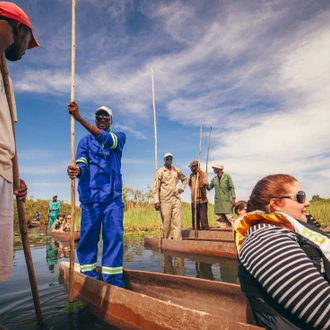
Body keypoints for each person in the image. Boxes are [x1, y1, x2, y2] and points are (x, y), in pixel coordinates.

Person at [235, 174, 330, 329]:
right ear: (276, 204)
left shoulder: (288, 234)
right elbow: (322, 309)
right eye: (300, 197)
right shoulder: (265, 239)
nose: (307, 203)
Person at [67, 102, 126, 288]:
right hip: (90, 199)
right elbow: (82, 164)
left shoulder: (118, 138)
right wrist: (77, 170)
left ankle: (113, 281)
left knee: (114, 238)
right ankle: (89, 279)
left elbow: (107, 140)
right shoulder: (84, 142)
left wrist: (79, 118)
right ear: (95, 119)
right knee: (87, 240)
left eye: (105, 117)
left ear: (111, 121)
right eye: (99, 117)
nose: (102, 119)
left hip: (113, 200)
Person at [0, 2, 39, 282]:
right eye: (28, 41)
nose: (26, 49)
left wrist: (12, 175)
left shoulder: (5, 76)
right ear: (19, 28)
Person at [152, 152, 187, 240]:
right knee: (166, 224)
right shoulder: (160, 171)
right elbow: (156, 188)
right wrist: (156, 201)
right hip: (165, 200)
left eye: (170, 159)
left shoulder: (176, 170)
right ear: (164, 160)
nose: (169, 160)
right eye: (167, 159)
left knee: (177, 222)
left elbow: (184, 179)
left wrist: (182, 188)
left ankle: (177, 242)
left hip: (176, 198)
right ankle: (167, 241)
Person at [206, 163, 236, 228]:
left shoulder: (227, 176)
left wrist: (233, 199)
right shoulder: (214, 179)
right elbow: (209, 188)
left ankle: (235, 230)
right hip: (218, 201)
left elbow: (231, 187)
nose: (213, 170)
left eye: (214, 168)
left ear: (219, 169)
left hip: (226, 200)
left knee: (229, 216)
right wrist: (205, 181)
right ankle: (225, 231)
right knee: (219, 217)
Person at [188, 160, 209, 230]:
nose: (191, 169)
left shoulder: (203, 174)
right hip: (194, 200)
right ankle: (196, 233)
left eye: (192, 167)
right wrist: (192, 189)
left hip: (202, 200)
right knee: (195, 220)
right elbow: (189, 183)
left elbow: (202, 185)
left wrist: (199, 174)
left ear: (196, 167)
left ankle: (205, 234)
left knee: (203, 219)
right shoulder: (191, 175)